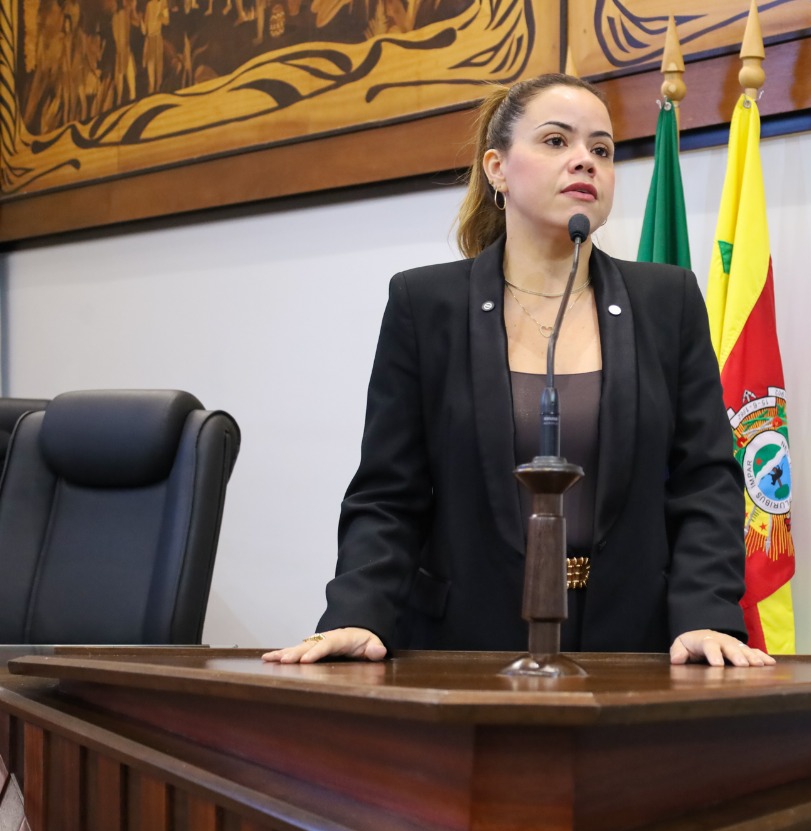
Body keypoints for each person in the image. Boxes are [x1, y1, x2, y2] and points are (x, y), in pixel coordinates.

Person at [264, 73, 774, 668]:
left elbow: (704, 482)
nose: (584, 160)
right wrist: (358, 613)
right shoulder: (425, 305)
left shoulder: (667, 302)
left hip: (635, 646)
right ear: (497, 169)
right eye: (556, 141)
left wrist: (707, 615)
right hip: (464, 650)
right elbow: (389, 494)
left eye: (602, 149)